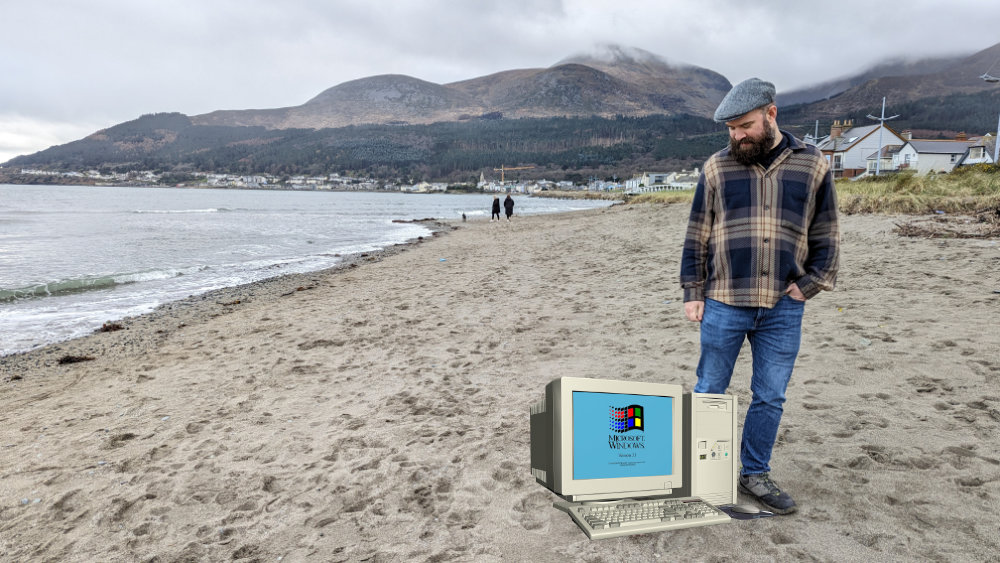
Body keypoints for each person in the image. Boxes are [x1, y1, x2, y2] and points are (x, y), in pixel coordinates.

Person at [679, 77, 840, 515]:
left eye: (744, 125)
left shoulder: (813, 164)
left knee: (770, 395)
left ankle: (754, 473)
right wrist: (693, 291)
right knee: (711, 388)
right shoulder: (716, 167)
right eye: (730, 128)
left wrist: (810, 284)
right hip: (724, 299)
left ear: (771, 113)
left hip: (783, 307)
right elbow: (697, 235)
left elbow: (827, 232)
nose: (736, 136)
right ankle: (703, 474)